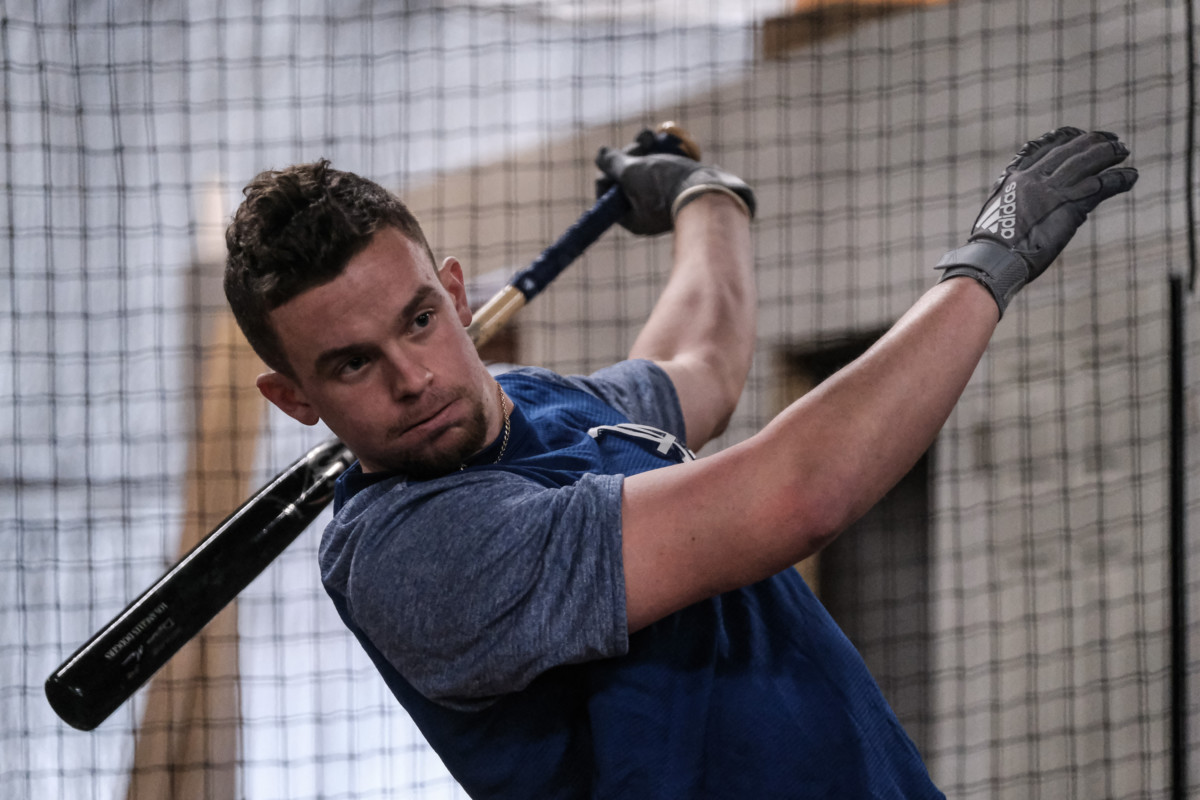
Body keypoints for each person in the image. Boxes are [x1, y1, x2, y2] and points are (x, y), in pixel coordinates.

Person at [223, 127, 1136, 798]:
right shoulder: (415, 554)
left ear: (456, 294)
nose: (412, 377)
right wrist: (985, 266)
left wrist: (706, 197)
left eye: (418, 319)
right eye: (352, 363)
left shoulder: (537, 404)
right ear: (295, 399)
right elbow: (797, 494)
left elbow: (700, 364)